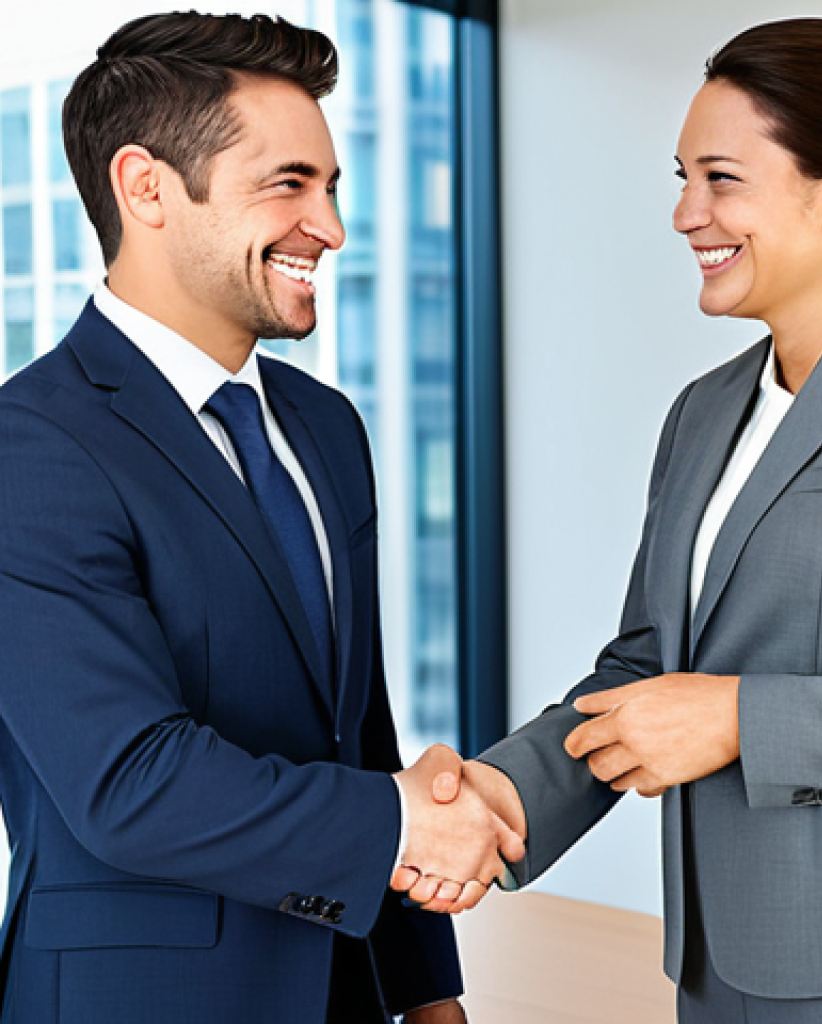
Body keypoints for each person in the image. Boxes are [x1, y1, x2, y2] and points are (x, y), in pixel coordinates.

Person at [393, 16, 822, 1023]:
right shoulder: (705, 410)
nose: (687, 212)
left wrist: (740, 717)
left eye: (720, 178)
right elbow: (646, 670)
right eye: (680, 177)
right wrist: (502, 796)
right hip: (717, 972)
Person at [0, 12, 523, 1024]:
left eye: (330, 188)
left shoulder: (326, 427)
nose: (328, 228)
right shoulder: (31, 445)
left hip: (344, 987)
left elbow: (357, 732)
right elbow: (128, 780)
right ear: (144, 187)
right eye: (288, 185)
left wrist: (426, 991)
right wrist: (403, 821)